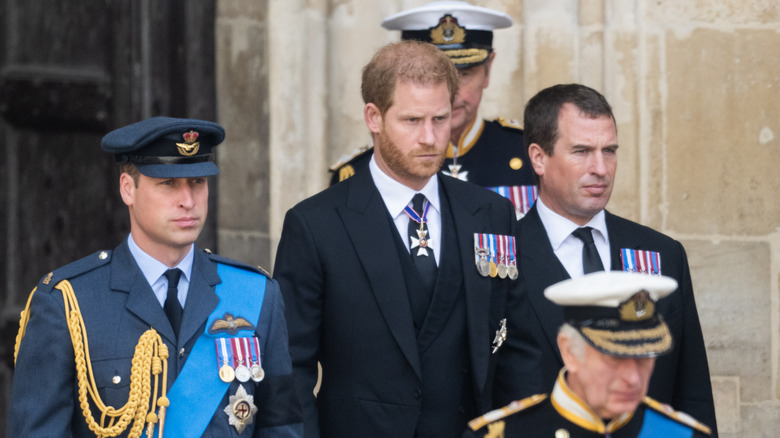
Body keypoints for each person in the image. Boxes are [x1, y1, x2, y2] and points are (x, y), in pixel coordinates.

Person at [275, 40, 521, 438]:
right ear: (374, 116)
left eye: (440, 119)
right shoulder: (315, 224)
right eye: (412, 121)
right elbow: (290, 366)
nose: (430, 138)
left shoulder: (491, 214)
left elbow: (511, 344)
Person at [8, 117, 302, 437]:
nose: (188, 201)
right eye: (168, 183)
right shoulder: (68, 304)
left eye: (198, 182)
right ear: (127, 189)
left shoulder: (256, 294)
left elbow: (281, 426)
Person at [494, 83, 718, 434]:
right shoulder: (501, 262)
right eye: (581, 151)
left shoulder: (662, 253)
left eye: (609, 151)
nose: (601, 168)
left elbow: (692, 392)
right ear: (539, 157)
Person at [329, 1, 537, 218]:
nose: (452, 94)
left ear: (488, 70)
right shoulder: (357, 172)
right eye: (428, 80)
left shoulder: (527, 153)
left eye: (464, 74)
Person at [466, 271, 713, 437]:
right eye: (615, 359)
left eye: (644, 359)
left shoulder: (678, 433)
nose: (633, 379)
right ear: (569, 351)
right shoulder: (504, 432)